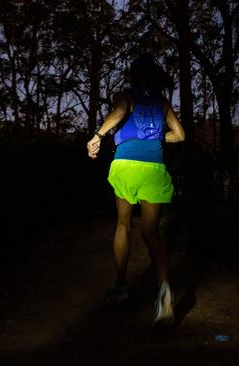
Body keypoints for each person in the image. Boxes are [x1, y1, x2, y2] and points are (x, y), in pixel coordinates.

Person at [86, 54, 185, 327]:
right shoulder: (162, 103)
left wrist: (98, 136)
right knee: (151, 232)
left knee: (123, 224)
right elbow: (180, 135)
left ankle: (121, 286)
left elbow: (118, 113)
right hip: (154, 168)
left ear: (133, 76)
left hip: (127, 165)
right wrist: (154, 136)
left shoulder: (126, 95)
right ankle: (164, 289)